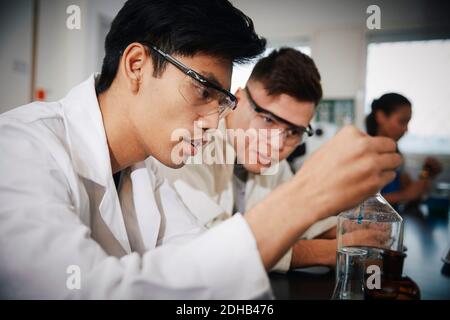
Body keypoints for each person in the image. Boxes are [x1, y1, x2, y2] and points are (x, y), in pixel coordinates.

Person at [0, 0, 401, 299]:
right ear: (137, 65)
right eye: (202, 89)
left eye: (221, 100)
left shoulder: (147, 170)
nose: (215, 122)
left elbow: (208, 268)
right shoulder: (19, 147)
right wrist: (307, 196)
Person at [153, 48, 339, 271]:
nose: (278, 145)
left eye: (293, 132)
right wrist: (329, 252)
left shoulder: (269, 161)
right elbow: (210, 246)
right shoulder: (195, 141)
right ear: (238, 100)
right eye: (268, 120)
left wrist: (355, 232)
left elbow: (304, 219)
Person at [366, 93, 442, 209]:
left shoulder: (395, 154)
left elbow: (413, 193)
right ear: (381, 116)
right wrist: (404, 195)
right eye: (402, 121)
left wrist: (427, 173)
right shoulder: (365, 152)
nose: (406, 129)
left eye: (408, 122)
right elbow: (361, 201)